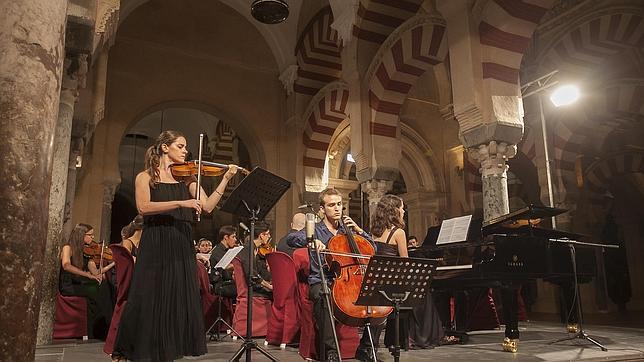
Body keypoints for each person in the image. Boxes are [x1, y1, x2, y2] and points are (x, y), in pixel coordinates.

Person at [112, 130, 238, 362]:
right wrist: (182, 202)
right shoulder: (145, 177)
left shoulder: (187, 178)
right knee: (149, 295)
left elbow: (208, 206)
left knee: (176, 296)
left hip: (180, 240)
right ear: (164, 148)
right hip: (156, 239)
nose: (185, 150)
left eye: (186, 146)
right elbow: (143, 207)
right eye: (180, 146)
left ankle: (167, 350)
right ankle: (135, 350)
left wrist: (226, 179)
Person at [289, 188, 378, 362]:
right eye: (331, 205)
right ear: (322, 209)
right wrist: (310, 240)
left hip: (348, 280)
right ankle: (331, 351)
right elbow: (291, 239)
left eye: (339, 204)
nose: (337, 208)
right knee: (323, 295)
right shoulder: (316, 229)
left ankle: (366, 348)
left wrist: (360, 231)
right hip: (322, 280)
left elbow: (372, 249)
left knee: (377, 298)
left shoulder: (347, 231)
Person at [369, 194, 410, 350]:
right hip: (390, 281)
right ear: (394, 211)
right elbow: (405, 262)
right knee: (426, 302)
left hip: (375, 279)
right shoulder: (398, 232)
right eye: (401, 208)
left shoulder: (374, 231)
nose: (404, 211)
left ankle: (372, 344)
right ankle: (404, 340)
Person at [59, 223, 113, 339]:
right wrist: (87, 275)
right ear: (81, 235)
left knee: (103, 287)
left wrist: (112, 264)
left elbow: (95, 272)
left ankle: (103, 328)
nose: (93, 238)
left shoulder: (87, 252)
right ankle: (105, 329)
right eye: (90, 235)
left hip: (80, 284)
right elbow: (66, 265)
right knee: (96, 291)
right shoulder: (67, 248)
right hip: (68, 286)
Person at [237, 222, 273, 299]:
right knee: (277, 294)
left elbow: (259, 270)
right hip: (250, 288)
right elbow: (252, 274)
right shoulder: (247, 249)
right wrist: (268, 286)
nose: (269, 236)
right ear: (261, 235)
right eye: (268, 234)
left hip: (255, 285)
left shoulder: (255, 248)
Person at [209, 225, 238, 298]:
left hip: (229, 283)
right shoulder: (217, 251)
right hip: (221, 285)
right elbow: (226, 266)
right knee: (246, 290)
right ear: (226, 237)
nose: (235, 239)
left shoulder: (229, 250)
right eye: (233, 237)